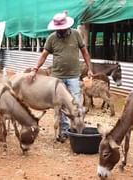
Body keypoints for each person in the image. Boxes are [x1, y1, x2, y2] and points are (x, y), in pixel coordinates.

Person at [28, 11, 93, 141]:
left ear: (67, 26)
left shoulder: (76, 34)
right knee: (61, 105)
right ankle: (64, 131)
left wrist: (90, 69)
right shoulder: (52, 38)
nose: (60, 31)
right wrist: (35, 69)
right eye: (58, 29)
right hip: (57, 77)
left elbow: (85, 52)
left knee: (76, 102)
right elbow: (44, 55)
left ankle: (78, 126)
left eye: (62, 28)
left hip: (74, 75)